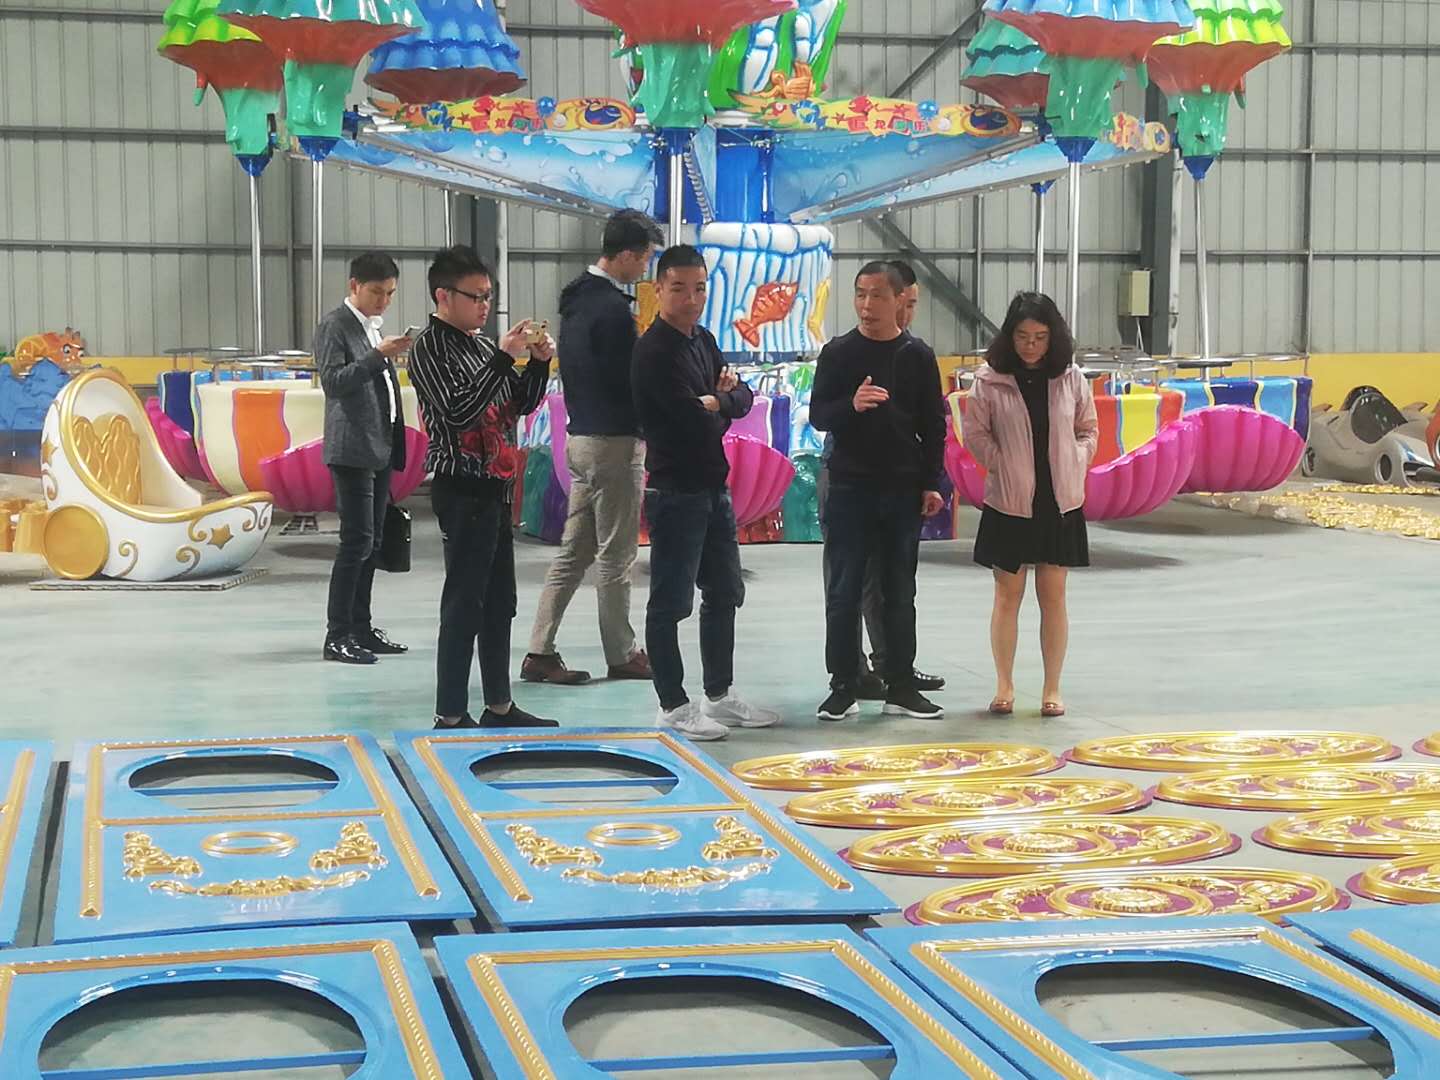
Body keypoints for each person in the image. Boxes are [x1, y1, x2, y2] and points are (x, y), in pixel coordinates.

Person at [632, 245, 780, 741]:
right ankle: (672, 705)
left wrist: (719, 401)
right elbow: (691, 422)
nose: (691, 299)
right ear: (658, 290)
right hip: (675, 490)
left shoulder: (704, 339)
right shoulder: (653, 353)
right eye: (679, 288)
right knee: (670, 602)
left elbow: (742, 397)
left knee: (724, 592)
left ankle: (719, 694)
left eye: (699, 288)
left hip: (715, 487)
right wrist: (720, 405)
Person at [408, 245, 558, 729]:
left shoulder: (479, 347)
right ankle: (450, 713)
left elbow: (517, 406)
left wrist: (537, 364)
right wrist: (502, 358)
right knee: (464, 604)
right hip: (462, 486)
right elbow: (457, 412)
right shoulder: (429, 348)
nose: (484, 306)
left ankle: (499, 705)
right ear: (443, 296)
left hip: (496, 487)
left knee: (499, 604)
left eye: (489, 296)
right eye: (475, 297)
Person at [523, 210, 665, 686]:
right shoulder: (615, 312)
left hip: (579, 438)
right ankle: (622, 653)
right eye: (644, 258)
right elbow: (631, 381)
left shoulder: (575, 300)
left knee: (574, 553)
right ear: (625, 255)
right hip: (614, 444)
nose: (644, 268)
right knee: (616, 556)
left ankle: (539, 650)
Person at [810, 261, 946, 722]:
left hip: (901, 489)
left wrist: (931, 482)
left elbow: (934, 426)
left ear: (899, 299)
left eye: (877, 296)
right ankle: (842, 684)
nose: (867, 306)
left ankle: (901, 684)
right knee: (844, 590)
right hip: (850, 487)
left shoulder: (917, 356)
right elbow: (819, 415)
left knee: (899, 591)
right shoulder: (838, 353)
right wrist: (852, 404)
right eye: (860, 295)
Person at [962, 292, 1098, 718]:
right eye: (1023, 336)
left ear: (1053, 337)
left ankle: (1052, 688)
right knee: (1008, 595)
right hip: (1009, 502)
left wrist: (1077, 459)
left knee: (1053, 596)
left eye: (1040, 337)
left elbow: (1088, 429)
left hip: (1060, 502)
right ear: (1010, 335)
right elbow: (975, 433)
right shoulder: (989, 380)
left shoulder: (1071, 378)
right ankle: (1004, 685)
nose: (1031, 345)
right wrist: (1000, 463)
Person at [316, 251, 412, 665]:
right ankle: (337, 634)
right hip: (352, 449)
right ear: (354, 285)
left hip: (378, 447)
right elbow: (333, 382)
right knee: (355, 543)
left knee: (371, 544)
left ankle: (360, 627)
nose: (384, 301)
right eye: (376, 292)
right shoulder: (335, 325)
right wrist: (378, 357)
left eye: (390, 294)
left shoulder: (372, 328)